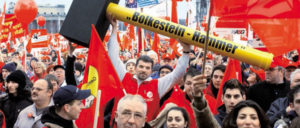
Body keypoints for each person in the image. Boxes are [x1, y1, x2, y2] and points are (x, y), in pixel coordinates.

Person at [107, 13, 190, 121]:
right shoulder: (124, 77)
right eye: (141, 66)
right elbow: (113, 56)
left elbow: (177, 75)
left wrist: (186, 52)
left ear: (151, 70)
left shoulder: (157, 85)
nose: (143, 70)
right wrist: (114, 29)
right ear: (136, 68)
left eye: (147, 68)